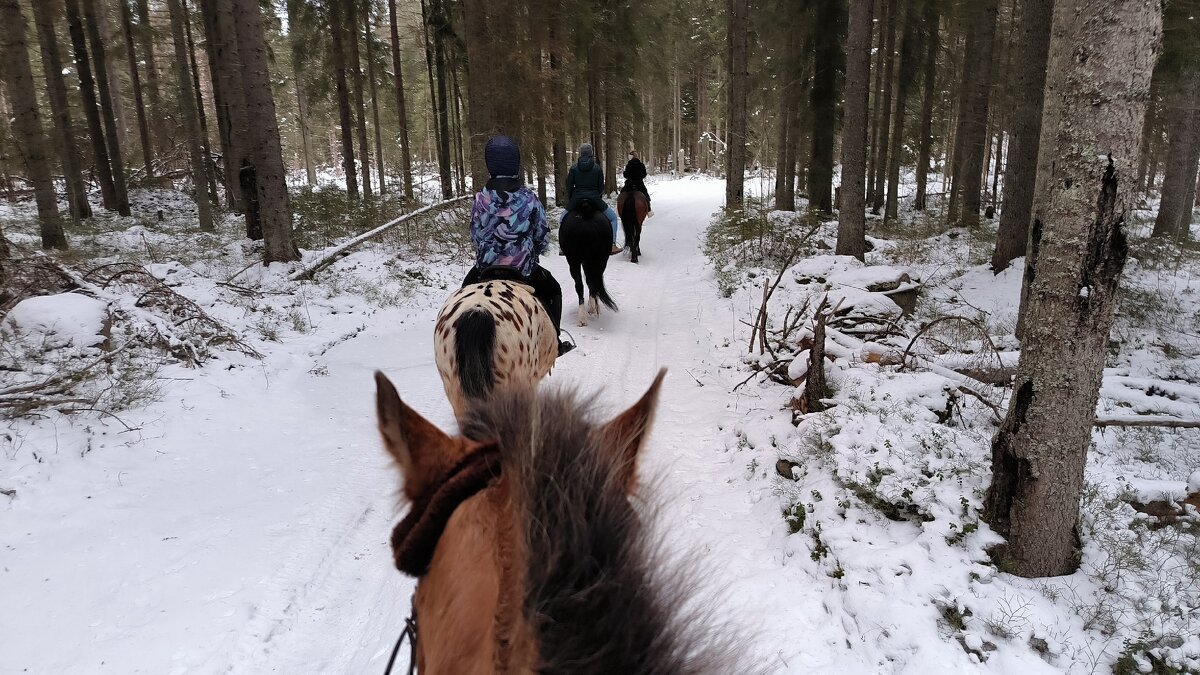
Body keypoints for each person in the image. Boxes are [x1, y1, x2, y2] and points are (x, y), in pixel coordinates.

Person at [464, 135, 573, 356]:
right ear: (516, 161)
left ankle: (464, 344)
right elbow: (541, 235)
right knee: (553, 290)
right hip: (523, 271)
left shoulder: (480, 199)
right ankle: (555, 343)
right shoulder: (529, 198)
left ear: (490, 163)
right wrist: (533, 250)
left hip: (485, 269)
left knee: (463, 293)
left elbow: (474, 235)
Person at [562, 143, 622, 255]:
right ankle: (612, 245)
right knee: (613, 218)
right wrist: (597, 196)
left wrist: (572, 200)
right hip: (594, 198)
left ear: (581, 153)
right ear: (591, 153)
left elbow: (569, 187)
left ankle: (563, 247)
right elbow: (601, 187)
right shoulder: (597, 168)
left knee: (562, 219)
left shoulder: (574, 168)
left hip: (576, 199)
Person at [620, 149, 652, 214]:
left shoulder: (628, 165)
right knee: (646, 195)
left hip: (629, 185)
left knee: (621, 194)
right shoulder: (641, 165)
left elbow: (626, 175)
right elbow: (644, 174)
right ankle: (649, 210)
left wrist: (625, 173)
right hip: (639, 184)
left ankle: (619, 210)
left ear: (631, 156)